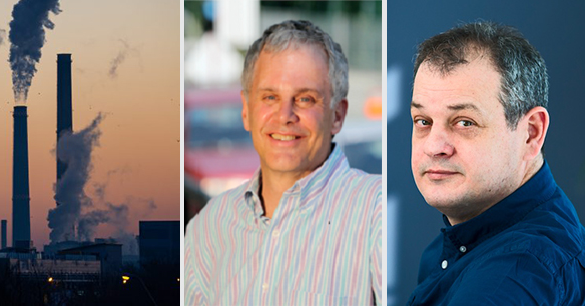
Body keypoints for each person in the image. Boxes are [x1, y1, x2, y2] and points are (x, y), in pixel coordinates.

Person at [183, 20, 382, 305]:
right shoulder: (208, 228)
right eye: (270, 97)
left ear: (337, 115)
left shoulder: (376, 213)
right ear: (247, 111)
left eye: (305, 99)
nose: (285, 115)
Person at [408, 22, 585, 305]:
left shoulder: (509, 279)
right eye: (423, 122)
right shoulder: (462, 242)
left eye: (465, 122)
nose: (433, 146)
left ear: (531, 133)